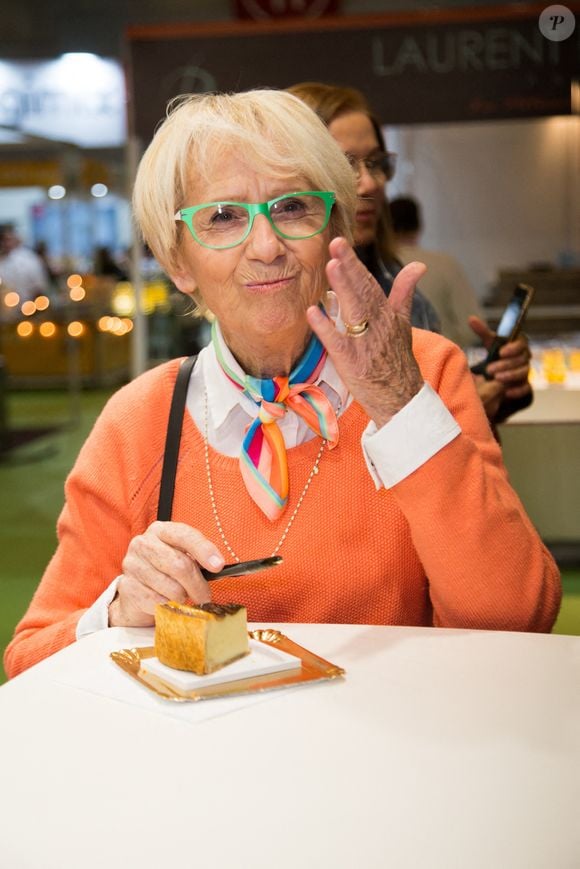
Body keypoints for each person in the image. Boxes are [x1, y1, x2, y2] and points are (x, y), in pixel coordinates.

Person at [4, 90, 560, 679]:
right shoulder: (138, 420)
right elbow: (30, 657)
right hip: (210, 763)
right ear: (178, 262)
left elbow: (517, 617)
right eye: (223, 217)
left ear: (335, 230)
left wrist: (400, 406)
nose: (267, 248)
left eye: (293, 208)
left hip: (397, 756)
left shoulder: (423, 371)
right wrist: (119, 610)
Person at [287, 82, 533, 426]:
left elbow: (424, 387)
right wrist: (455, 412)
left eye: (375, 163)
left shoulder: (389, 274)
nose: (370, 183)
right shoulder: (284, 298)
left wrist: (498, 382)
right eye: (344, 164)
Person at [389, 195, 484, 348]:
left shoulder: (378, 266)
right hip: (443, 361)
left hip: (394, 365)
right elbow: (471, 328)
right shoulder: (446, 264)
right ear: (419, 225)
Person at [0, 224, 51, 302]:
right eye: (3, 240)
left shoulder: (28, 258)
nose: (5, 244)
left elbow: (39, 286)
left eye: (8, 239)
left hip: (27, 305)